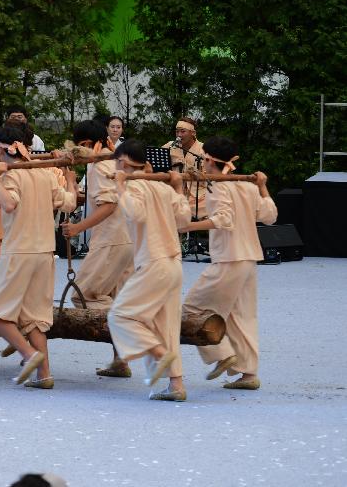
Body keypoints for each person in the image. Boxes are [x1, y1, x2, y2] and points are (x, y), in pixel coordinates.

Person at [0, 127, 77, 389]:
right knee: (34, 318)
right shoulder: (44, 172)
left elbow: (8, 204)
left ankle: (30, 355)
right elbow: (69, 203)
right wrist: (69, 174)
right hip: (44, 252)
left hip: (19, 252)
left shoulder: (11, 174)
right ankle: (44, 375)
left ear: (0, 148)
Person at [180, 137, 277, 390]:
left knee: (192, 308)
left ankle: (222, 354)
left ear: (210, 159)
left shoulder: (219, 185)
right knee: (240, 316)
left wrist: (186, 226)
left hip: (229, 259)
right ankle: (248, 374)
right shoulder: (245, 184)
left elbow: (223, 218)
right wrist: (263, 186)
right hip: (248, 258)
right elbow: (269, 216)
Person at [107, 139, 191, 401]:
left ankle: (160, 356)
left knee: (120, 316)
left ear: (122, 163)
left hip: (155, 263)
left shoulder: (135, 187)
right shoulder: (162, 187)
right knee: (164, 325)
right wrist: (178, 188)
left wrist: (121, 185)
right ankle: (176, 385)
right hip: (173, 263)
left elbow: (136, 214)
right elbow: (184, 220)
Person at [61, 120, 135, 377]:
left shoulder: (98, 166)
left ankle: (132, 336)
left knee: (85, 295)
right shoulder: (113, 163)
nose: (82, 151)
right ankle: (121, 360)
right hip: (125, 240)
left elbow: (108, 205)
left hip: (110, 241)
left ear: (95, 144)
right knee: (116, 298)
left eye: (84, 146)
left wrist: (77, 228)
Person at [162, 116, 206, 214]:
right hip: (174, 192)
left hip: (198, 196)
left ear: (193, 133)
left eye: (183, 131)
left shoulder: (203, 149)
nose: (179, 135)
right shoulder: (170, 146)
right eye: (177, 131)